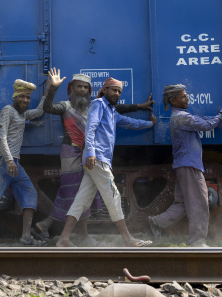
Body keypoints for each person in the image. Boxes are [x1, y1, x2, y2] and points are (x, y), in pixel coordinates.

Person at [34, 68, 154, 245]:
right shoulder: (92, 105)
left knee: (81, 199)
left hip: (90, 158)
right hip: (93, 157)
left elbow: (128, 121)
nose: (82, 90)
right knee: (112, 195)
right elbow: (88, 128)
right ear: (103, 90)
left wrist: (150, 122)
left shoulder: (105, 109)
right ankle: (128, 238)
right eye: (113, 90)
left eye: (119, 91)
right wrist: (53, 88)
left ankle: (64, 238)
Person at [147, 84, 222, 247]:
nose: (187, 98)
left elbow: (209, 122)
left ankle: (157, 222)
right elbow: (207, 125)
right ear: (173, 100)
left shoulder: (180, 116)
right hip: (189, 165)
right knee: (200, 203)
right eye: (183, 96)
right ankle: (197, 241)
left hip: (184, 164)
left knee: (183, 204)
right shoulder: (181, 117)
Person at [0, 78, 50, 246]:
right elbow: (1, 138)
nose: (25, 100)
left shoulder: (22, 114)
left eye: (27, 98)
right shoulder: (8, 110)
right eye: (22, 97)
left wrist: (49, 89)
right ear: (15, 97)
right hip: (3, 162)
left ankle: (25, 238)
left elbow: (39, 111)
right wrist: (9, 160)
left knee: (30, 193)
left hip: (14, 163)